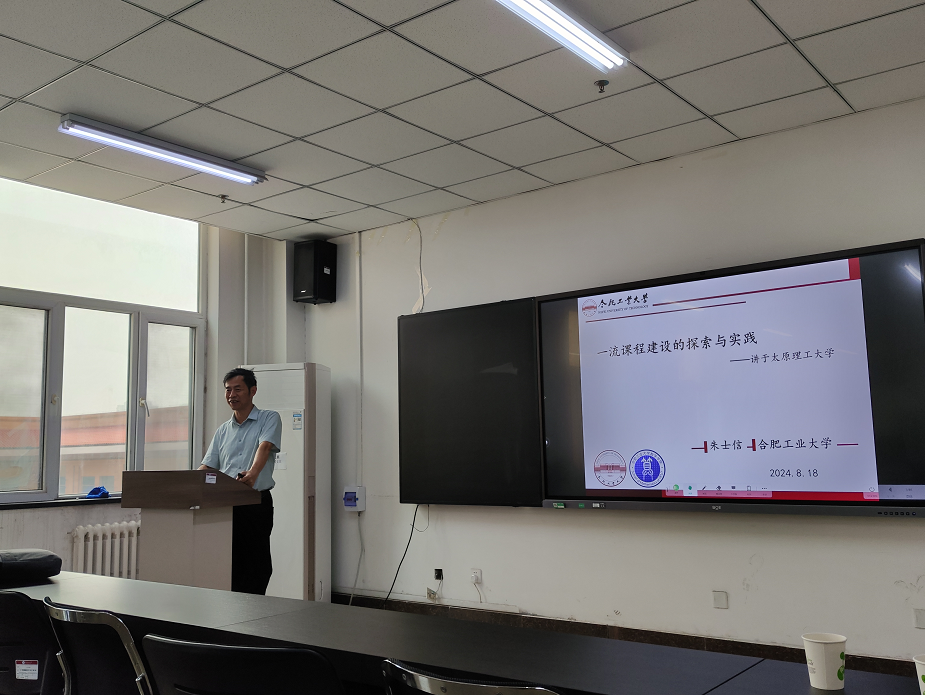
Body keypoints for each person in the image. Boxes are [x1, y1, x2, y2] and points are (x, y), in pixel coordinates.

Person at [199, 367, 282, 595]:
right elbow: (208, 466)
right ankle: (231, 611)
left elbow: (265, 446)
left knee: (256, 564)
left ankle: (254, 610)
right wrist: (187, 483)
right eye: (228, 390)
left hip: (255, 502)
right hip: (225, 505)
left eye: (238, 389)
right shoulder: (222, 430)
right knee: (229, 563)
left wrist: (252, 474)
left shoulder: (269, 418)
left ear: (252, 391)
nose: (231, 395)